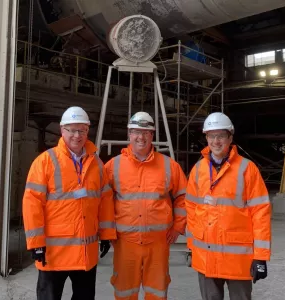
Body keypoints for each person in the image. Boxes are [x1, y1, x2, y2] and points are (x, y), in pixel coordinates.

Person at [22, 106, 116, 300]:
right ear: (62, 130)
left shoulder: (96, 164)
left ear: (87, 131)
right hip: (54, 252)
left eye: (81, 130)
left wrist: (106, 234)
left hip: (84, 253)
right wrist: (36, 243)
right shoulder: (45, 162)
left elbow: (105, 201)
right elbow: (32, 203)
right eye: (71, 130)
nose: (76, 135)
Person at [185, 112, 271, 300]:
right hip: (206, 257)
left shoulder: (247, 169)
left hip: (238, 259)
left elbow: (260, 213)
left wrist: (261, 257)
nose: (216, 141)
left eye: (221, 136)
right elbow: (191, 210)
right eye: (211, 136)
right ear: (206, 138)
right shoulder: (198, 170)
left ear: (230, 138)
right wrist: (192, 247)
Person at [104, 111, 188, 300]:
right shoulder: (113, 166)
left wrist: (177, 226)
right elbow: (103, 202)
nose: (140, 137)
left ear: (152, 135)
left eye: (146, 132)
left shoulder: (169, 166)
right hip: (125, 243)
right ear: (129, 134)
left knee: (157, 292)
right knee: (125, 291)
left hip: (158, 242)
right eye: (136, 132)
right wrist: (107, 232)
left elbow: (183, 196)